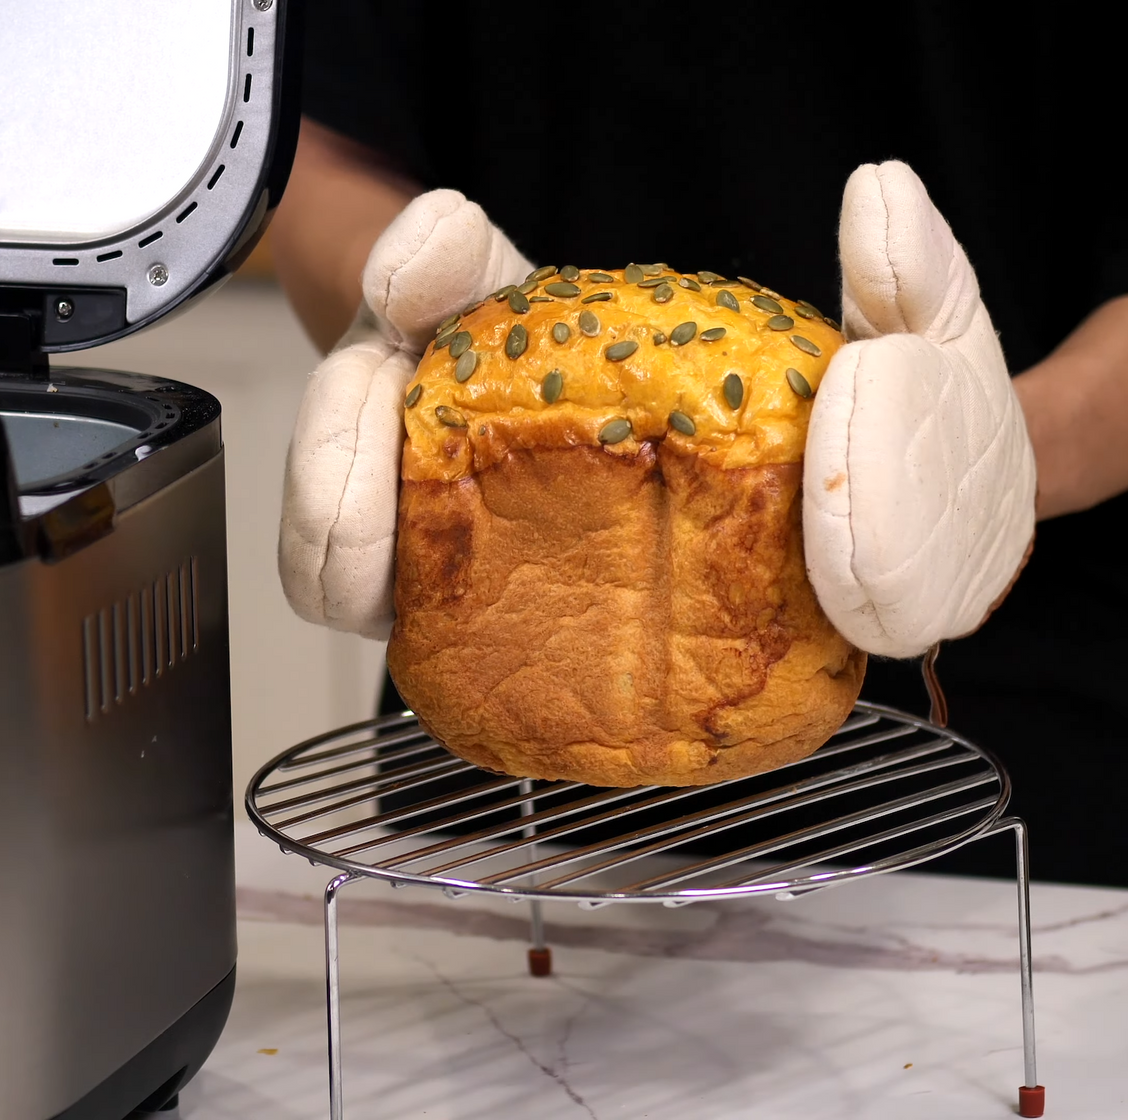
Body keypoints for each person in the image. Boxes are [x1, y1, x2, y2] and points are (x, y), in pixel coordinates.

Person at [269, 6, 1127, 886]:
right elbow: (323, 143)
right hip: (486, 809)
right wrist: (406, 317)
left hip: (1029, 745)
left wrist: (994, 461)